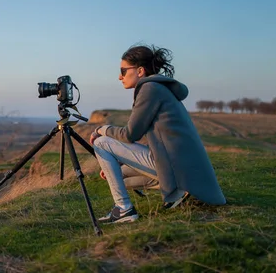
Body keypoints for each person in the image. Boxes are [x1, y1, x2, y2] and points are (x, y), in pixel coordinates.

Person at [90, 44, 226, 224]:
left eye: (123, 70)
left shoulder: (149, 89)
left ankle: (124, 209)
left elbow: (130, 134)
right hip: (180, 165)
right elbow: (159, 140)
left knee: (101, 143)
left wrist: (102, 129)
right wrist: (117, 161)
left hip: (176, 166)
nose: (120, 76)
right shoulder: (159, 88)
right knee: (116, 173)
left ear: (140, 71)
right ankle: (177, 192)